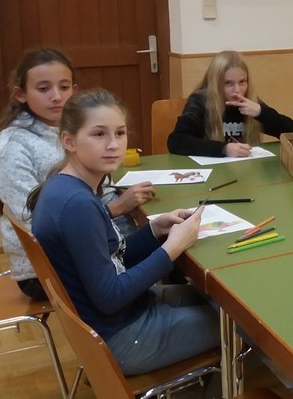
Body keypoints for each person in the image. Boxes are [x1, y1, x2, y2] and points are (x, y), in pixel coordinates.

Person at [32, 88, 220, 375]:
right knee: (237, 323)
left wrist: (154, 230)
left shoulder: (65, 185)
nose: (113, 144)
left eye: (120, 133)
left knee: (220, 303)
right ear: (69, 141)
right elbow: (110, 297)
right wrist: (172, 248)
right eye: (99, 134)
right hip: (123, 336)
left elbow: (110, 260)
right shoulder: (78, 204)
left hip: (125, 315)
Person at [0, 48, 154, 300]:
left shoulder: (74, 128)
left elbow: (96, 190)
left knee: (163, 241)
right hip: (47, 268)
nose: (56, 97)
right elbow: (34, 221)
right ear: (21, 94)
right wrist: (114, 209)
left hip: (100, 243)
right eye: (44, 89)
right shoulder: (12, 145)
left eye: (64, 87)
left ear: (74, 90)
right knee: (162, 256)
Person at [168, 50, 293, 157]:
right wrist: (224, 149)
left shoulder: (249, 101)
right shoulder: (200, 101)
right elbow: (177, 141)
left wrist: (261, 112)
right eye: (228, 83)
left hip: (244, 170)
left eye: (242, 82)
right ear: (215, 83)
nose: (237, 90)